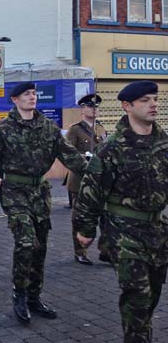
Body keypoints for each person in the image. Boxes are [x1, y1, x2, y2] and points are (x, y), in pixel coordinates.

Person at [0, 82, 86, 324]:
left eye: (34, 94)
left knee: (40, 247)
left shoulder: (48, 127)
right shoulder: (3, 128)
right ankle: (19, 293)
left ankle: (34, 297)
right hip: (14, 191)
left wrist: (96, 174)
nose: (32, 97)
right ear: (15, 99)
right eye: (27, 94)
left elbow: (70, 155)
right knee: (26, 241)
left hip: (40, 191)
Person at [74, 81, 168, 343]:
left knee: (152, 296)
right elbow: (91, 190)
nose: (153, 104)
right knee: (137, 297)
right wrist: (86, 230)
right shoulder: (112, 148)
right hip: (124, 234)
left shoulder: (164, 144)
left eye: (154, 99)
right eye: (145, 100)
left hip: (158, 233)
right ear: (127, 106)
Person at [66, 94, 109, 265]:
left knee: (106, 216)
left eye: (96, 107)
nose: (94, 110)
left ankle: (106, 251)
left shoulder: (101, 129)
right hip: (80, 181)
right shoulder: (75, 130)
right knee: (80, 217)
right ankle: (80, 252)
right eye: (90, 107)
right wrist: (84, 157)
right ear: (82, 109)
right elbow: (68, 153)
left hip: (101, 181)